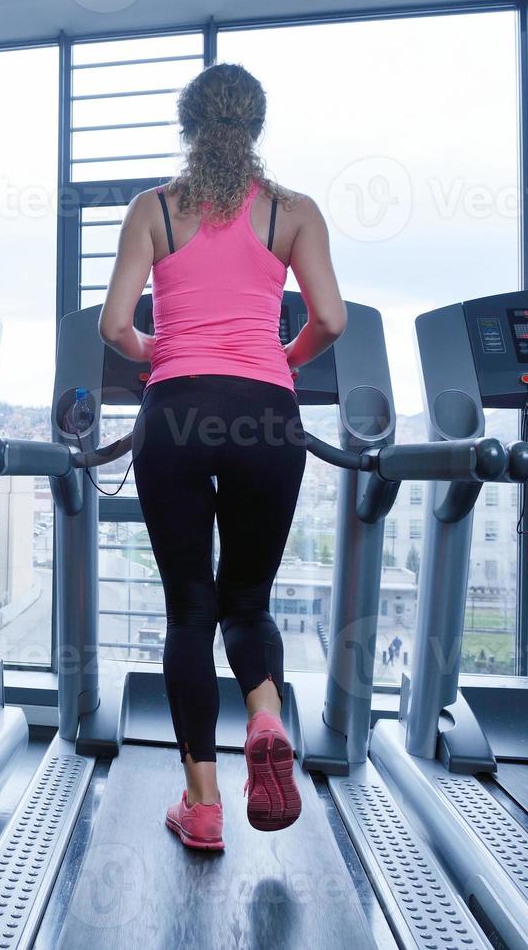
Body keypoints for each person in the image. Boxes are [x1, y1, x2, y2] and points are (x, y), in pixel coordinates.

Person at [98, 64, 346, 850]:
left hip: (173, 412)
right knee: (248, 601)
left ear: (187, 126)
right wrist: (285, 359)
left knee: (188, 611)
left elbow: (112, 326)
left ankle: (200, 805)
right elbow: (330, 319)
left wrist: (155, 347)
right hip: (265, 416)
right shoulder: (293, 211)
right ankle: (265, 714)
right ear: (257, 127)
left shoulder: (153, 210)